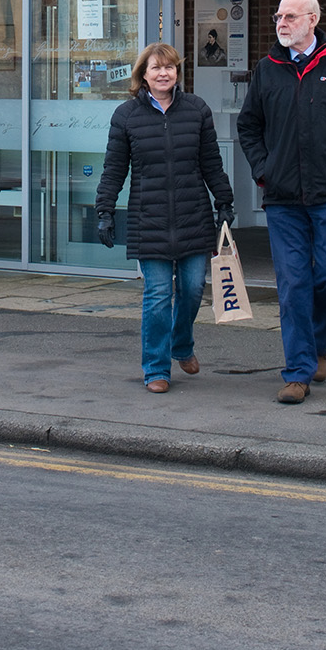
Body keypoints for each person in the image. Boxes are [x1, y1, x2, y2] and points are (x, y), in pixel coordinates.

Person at [234, 0, 326, 404]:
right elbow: (249, 127)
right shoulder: (267, 69)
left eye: (291, 17)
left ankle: (318, 344)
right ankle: (298, 372)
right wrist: (264, 171)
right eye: (279, 17)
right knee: (294, 285)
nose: (282, 23)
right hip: (282, 199)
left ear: (312, 19)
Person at [92, 42, 235, 393]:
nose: (163, 73)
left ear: (177, 72)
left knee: (190, 289)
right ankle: (156, 368)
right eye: (155, 68)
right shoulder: (126, 116)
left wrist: (225, 202)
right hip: (149, 217)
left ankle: (181, 345)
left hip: (192, 215)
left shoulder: (196, 110)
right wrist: (105, 211)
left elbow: (211, 163)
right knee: (157, 295)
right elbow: (114, 170)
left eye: (169, 67)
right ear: (143, 74)